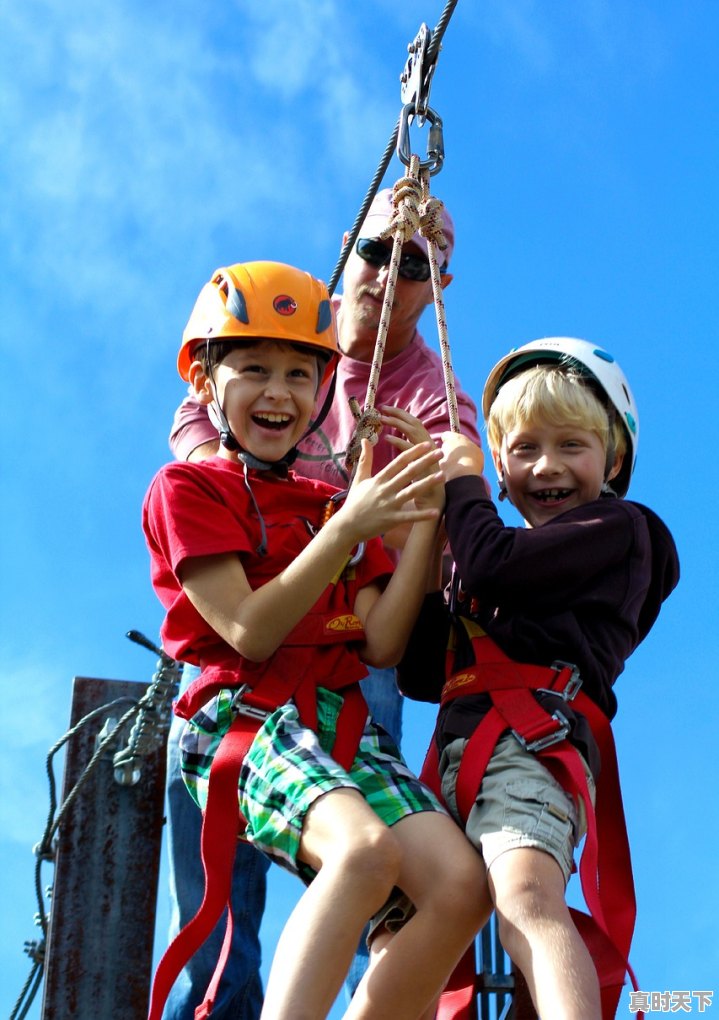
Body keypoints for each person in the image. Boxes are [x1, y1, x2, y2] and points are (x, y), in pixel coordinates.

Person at [163, 189, 481, 1018]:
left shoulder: (422, 395)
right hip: (241, 704)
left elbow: (380, 642)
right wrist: (342, 517)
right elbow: (247, 628)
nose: (280, 392)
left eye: (414, 265)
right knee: (348, 857)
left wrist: (414, 525)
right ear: (351, 251)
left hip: (339, 696)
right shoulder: (197, 483)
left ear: (437, 284)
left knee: (453, 888)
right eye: (378, 253)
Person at [399, 337, 679, 1019]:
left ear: (612, 459)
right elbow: (415, 671)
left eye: (569, 445)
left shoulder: (621, 531)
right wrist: (428, 547)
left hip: (531, 743)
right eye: (522, 449)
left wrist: (461, 481)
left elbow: (497, 565)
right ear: (502, 465)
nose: (546, 465)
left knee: (523, 896)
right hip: (460, 753)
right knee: (411, 922)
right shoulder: (493, 561)